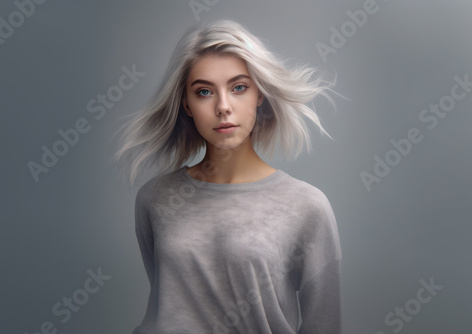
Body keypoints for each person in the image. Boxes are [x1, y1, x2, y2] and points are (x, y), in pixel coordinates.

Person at [115, 19, 342, 334]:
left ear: (259, 95)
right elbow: (166, 304)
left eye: (238, 87)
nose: (223, 107)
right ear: (187, 105)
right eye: (204, 91)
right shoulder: (155, 198)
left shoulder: (307, 206)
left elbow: (324, 325)